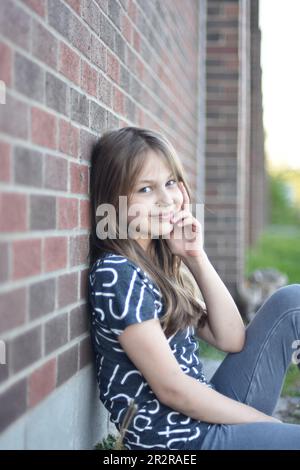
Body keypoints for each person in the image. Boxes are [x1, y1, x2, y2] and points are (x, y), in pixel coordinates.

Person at [87, 126, 300, 450]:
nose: (166, 199)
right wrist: (266, 424)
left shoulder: (156, 264)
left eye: (171, 182)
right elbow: (173, 389)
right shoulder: (118, 274)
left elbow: (231, 338)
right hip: (177, 442)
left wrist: (195, 257)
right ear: (114, 200)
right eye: (145, 189)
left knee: (291, 301)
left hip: (201, 416)